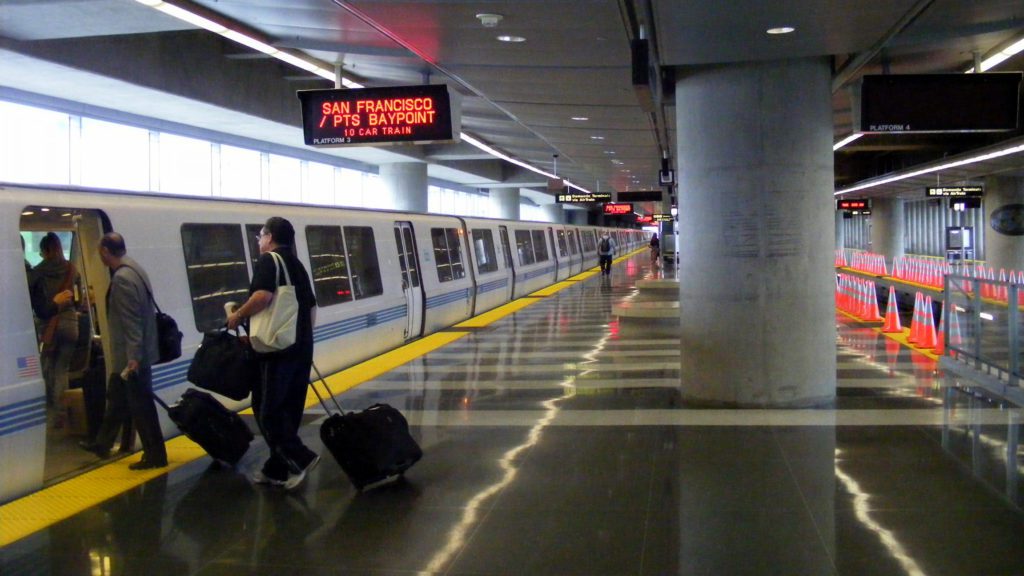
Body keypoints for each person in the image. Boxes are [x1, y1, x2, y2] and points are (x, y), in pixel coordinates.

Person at [227, 217, 319, 490]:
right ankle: (276, 468)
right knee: (287, 408)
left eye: (260, 237)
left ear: (269, 237)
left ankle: (299, 458)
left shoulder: (270, 261)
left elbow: (263, 298)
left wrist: (237, 316)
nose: (259, 242)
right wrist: (301, 338)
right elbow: (312, 307)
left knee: (267, 410)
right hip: (299, 347)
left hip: (276, 350)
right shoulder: (297, 265)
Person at [80, 232, 167, 470]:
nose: (100, 257)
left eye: (100, 252)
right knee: (117, 398)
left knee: (142, 408)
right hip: (132, 355)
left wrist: (133, 358)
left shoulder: (122, 279)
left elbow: (131, 322)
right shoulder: (136, 269)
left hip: (132, 358)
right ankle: (102, 443)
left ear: (106, 252)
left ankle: (155, 455)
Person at [30, 232, 79, 426]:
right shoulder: (72, 269)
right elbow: (79, 299)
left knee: (47, 368)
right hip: (71, 325)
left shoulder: (38, 272)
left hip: (49, 327)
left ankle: (49, 410)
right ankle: (63, 413)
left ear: (45, 250)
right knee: (62, 370)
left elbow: (34, 301)